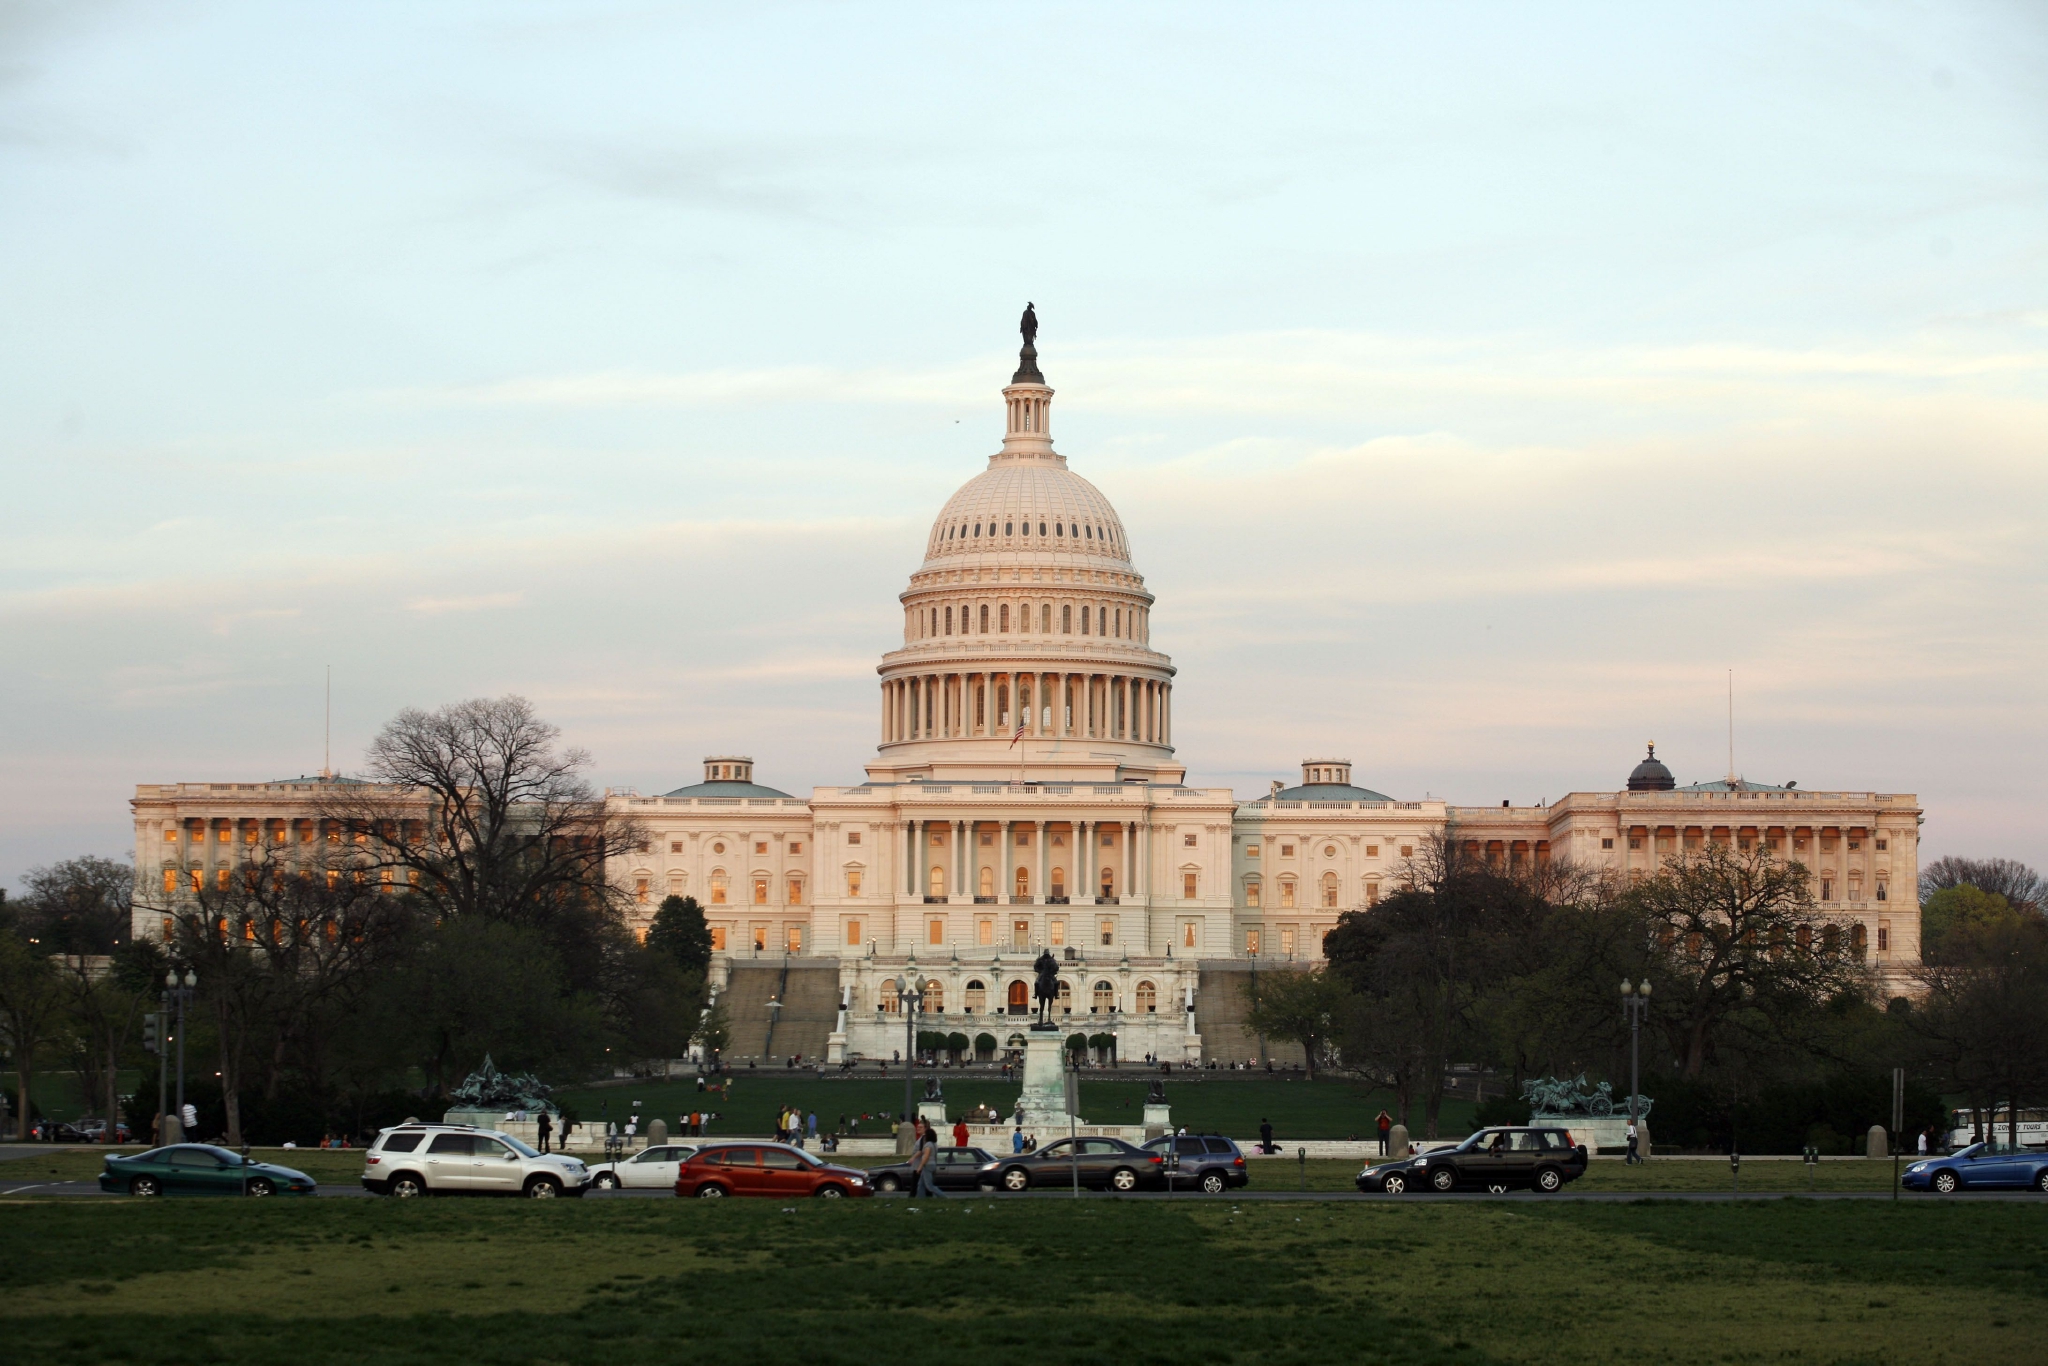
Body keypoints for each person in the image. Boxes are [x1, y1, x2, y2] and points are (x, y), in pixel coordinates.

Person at [911, 1118, 945, 1198]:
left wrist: (920, 1167)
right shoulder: (933, 1144)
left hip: (927, 1165)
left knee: (929, 1186)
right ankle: (920, 1199)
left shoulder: (928, 1145)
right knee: (920, 1184)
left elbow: (925, 1157)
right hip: (930, 1165)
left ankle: (944, 1197)